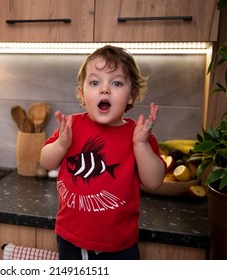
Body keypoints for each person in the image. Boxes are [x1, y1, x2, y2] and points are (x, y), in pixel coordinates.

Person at [40, 45, 166, 260]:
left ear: (131, 96)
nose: (105, 89)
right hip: (69, 238)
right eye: (95, 82)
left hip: (119, 245)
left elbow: (154, 181)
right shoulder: (71, 126)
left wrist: (140, 145)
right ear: (82, 92)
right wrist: (61, 144)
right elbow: (46, 162)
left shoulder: (139, 136)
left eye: (116, 83)